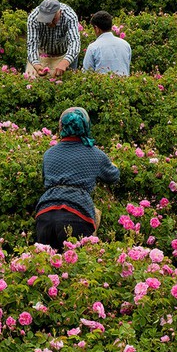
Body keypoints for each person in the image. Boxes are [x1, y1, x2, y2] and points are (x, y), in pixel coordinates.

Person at [35, 107, 120, 251]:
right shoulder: (94, 154)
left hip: (45, 213)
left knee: (46, 267)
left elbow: (45, 180)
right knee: (76, 266)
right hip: (76, 214)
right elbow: (113, 176)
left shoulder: (48, 154)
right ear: (85, 126)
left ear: (61, 127)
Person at [25, 0, 81, 79]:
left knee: (65, 85)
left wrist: (65, 62)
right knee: (31, 82)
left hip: (63, 54)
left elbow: (75, 42)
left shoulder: (69, 16)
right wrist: (36, 64)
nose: (50, 23)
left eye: (53, 19)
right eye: (46, 20)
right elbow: (32, 44)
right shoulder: (34, 17)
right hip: (42, 53)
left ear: (60, 12)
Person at [82, 11, 132, 76]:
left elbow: (87, 73)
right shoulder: (126, 45)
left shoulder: (93, 47)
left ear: (97, 28)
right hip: (124, 84)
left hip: (102, 84)